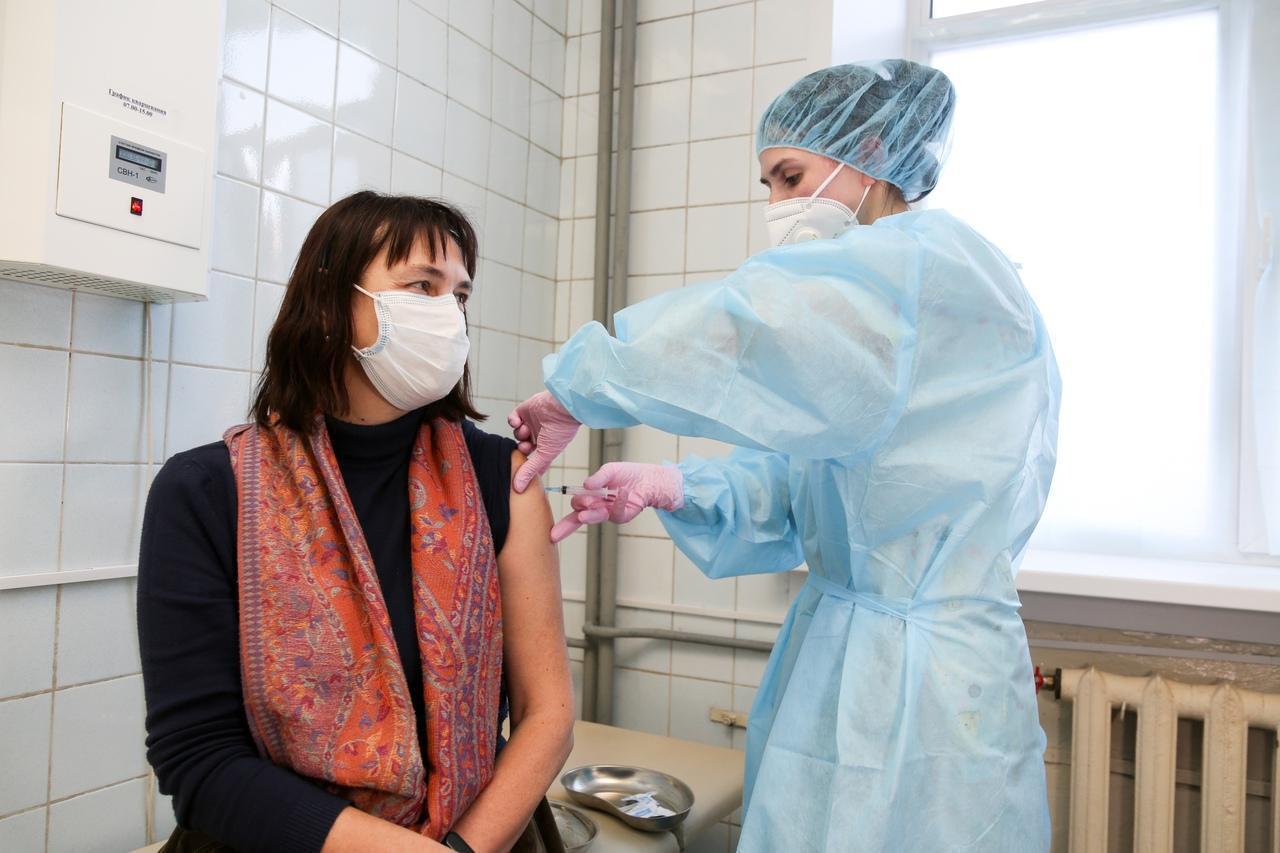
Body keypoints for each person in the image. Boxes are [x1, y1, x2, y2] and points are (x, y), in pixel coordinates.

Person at [508, 60, 1059, 851]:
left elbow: (749, 328)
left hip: (925, 685)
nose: (778, 205)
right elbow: (819, 491)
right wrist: (673, 484)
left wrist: (580, 387)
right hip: (863, 655)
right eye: (768, 183)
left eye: (791, 176)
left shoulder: (926, 269)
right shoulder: (886, 302)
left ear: (870, 151)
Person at [138, 192, 574, 853]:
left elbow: (548, 713)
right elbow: (200, 758)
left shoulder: (503, 480)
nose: (448, 315)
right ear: (332, 303)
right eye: (422, 287)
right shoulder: (206, 492)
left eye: (459, 296)